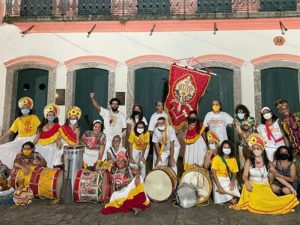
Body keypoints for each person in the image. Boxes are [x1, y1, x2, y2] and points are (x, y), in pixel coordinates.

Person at [231, 133, 299, 214]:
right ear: (252, 150)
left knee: (271, 203)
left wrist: (291, 187)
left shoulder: (268, 163)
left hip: (264, 187)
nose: (256, 150)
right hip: (252, 187)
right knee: (257, 202)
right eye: (254, 148)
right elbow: (244, 175)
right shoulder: (248, 161)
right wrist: (247, 182)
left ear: (262, 149)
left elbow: (277, 176)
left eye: (258, 148)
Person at [0, 97, 40, 169]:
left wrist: (33, 143)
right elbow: (10, 131)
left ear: (30, 109)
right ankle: (13, 169)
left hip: (32, 139)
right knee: (10, 149)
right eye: (23, 108)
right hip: (20, 139)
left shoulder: (34, 117)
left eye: (26, 107)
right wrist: (1, 139)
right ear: (21, 109)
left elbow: (40, 130)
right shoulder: (18, 120)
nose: (25, 109)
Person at [275, 99, 300, 176]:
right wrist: (287, 149)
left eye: (285, 108)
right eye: (281, 109)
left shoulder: (298, 115)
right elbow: (285, 136)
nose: (284, 110)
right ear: (279, 111)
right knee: (297, 168)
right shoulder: (280, 121)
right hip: (294, 148)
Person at [211, 140, 240, 204]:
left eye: (228, 147)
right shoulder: (217, 158)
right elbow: (213, 173)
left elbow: (235, 172)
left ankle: (228, 197)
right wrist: (219, 186)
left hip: (228, 178)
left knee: (234, 201)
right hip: (218, 179)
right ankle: (225, 196)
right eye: (225, 147)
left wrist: (232, 182)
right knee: (229, 200)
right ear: (221, 148)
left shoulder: (233, 159)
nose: (226, 149)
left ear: (231, 149)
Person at [33, 103, 60, 168]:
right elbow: (36, 138)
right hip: (41, 146)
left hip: (52, 146)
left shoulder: (58, 127)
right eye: (49, 115)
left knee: (51, 151)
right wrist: (31, 146)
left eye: (52, 115)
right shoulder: (41, 127)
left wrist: (58, 142)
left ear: (55, 116)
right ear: (46, 116)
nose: (50, 116)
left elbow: (60, 138)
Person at [233, 104, 256, 169]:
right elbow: (239, 135)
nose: (240, 114)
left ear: (245, 112)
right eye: (238, 112)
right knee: (242, 164)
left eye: (241, 112)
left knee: (252, 161)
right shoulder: (236, 120)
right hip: (241, 144)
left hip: (251, 144)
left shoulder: (251, 119)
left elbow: (254, 131)